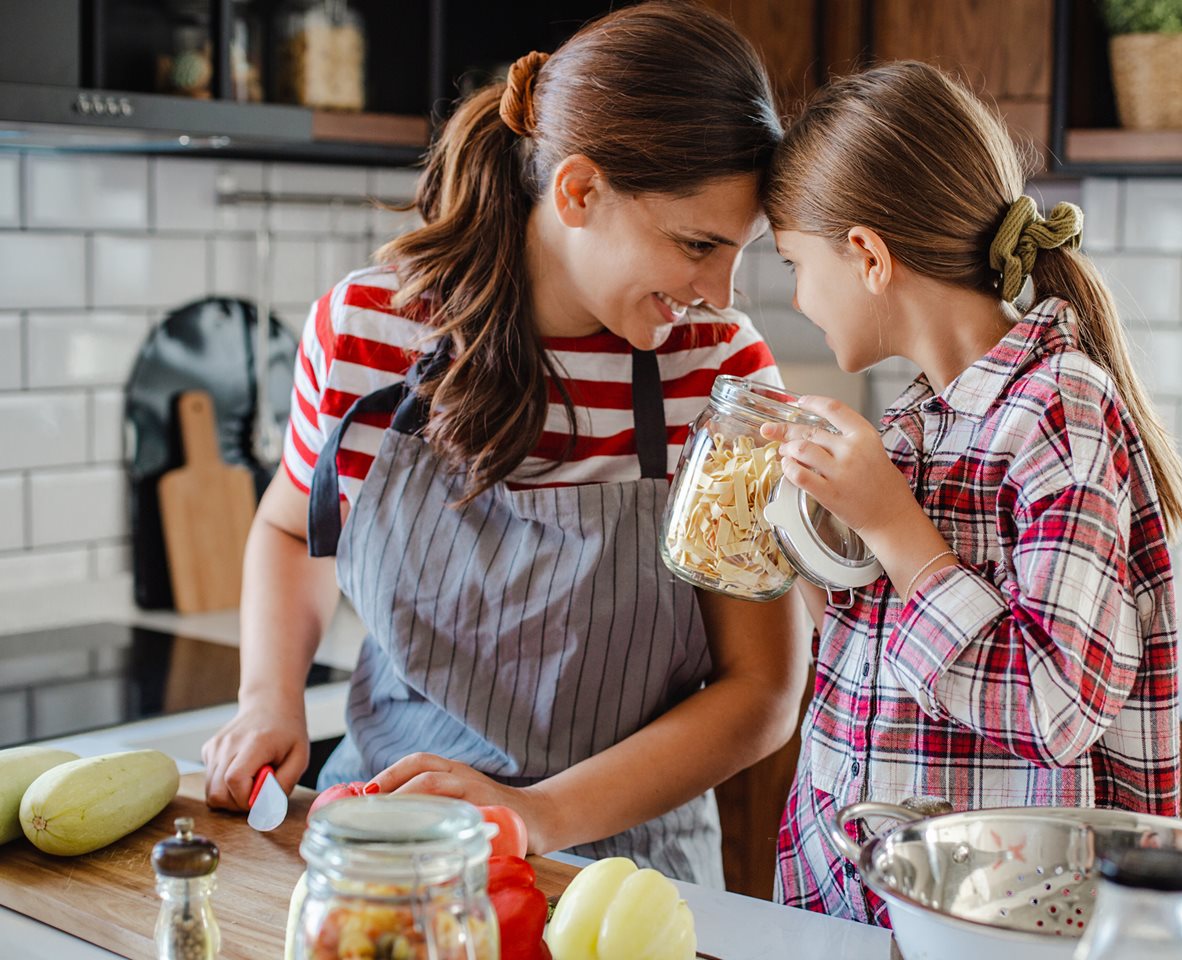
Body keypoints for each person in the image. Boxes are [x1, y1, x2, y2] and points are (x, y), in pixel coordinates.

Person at [200, 2, 809, 887]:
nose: (721, 291)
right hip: (391, 838)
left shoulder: (723, 377)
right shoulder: (370, 330)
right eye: (696, 244)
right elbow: (294, 529)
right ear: (577, 190)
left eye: (739, 253)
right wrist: (269, 697)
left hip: (627, 873)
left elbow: (762, 691)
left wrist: (536, 815)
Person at [756, 61, 1182, 924]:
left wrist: (890, 522)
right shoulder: (924, 418)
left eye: (793, 263)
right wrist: (804, 537)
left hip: (987, 924)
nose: (798, 296)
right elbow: (878, 661)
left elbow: (1056, 704)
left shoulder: (1056, 408)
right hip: (850, 899)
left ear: (868, 256)